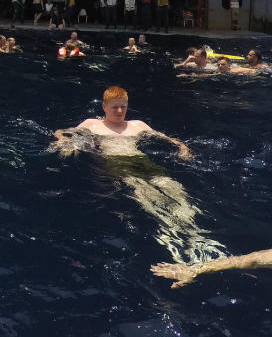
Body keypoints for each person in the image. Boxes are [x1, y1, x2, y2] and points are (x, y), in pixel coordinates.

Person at [52, 86, 221, 262]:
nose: (119, 111)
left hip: (142, 162)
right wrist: (65, 143)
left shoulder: (137, 125)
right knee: (147, 196)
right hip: (119, 164)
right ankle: (172, 234)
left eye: (123, 107)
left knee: (175, 189)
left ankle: (195, 232)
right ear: (104, 106)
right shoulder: (92, 124)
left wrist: (182, 148)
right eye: (114, 107)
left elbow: (165, 137)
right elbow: (61, 132)